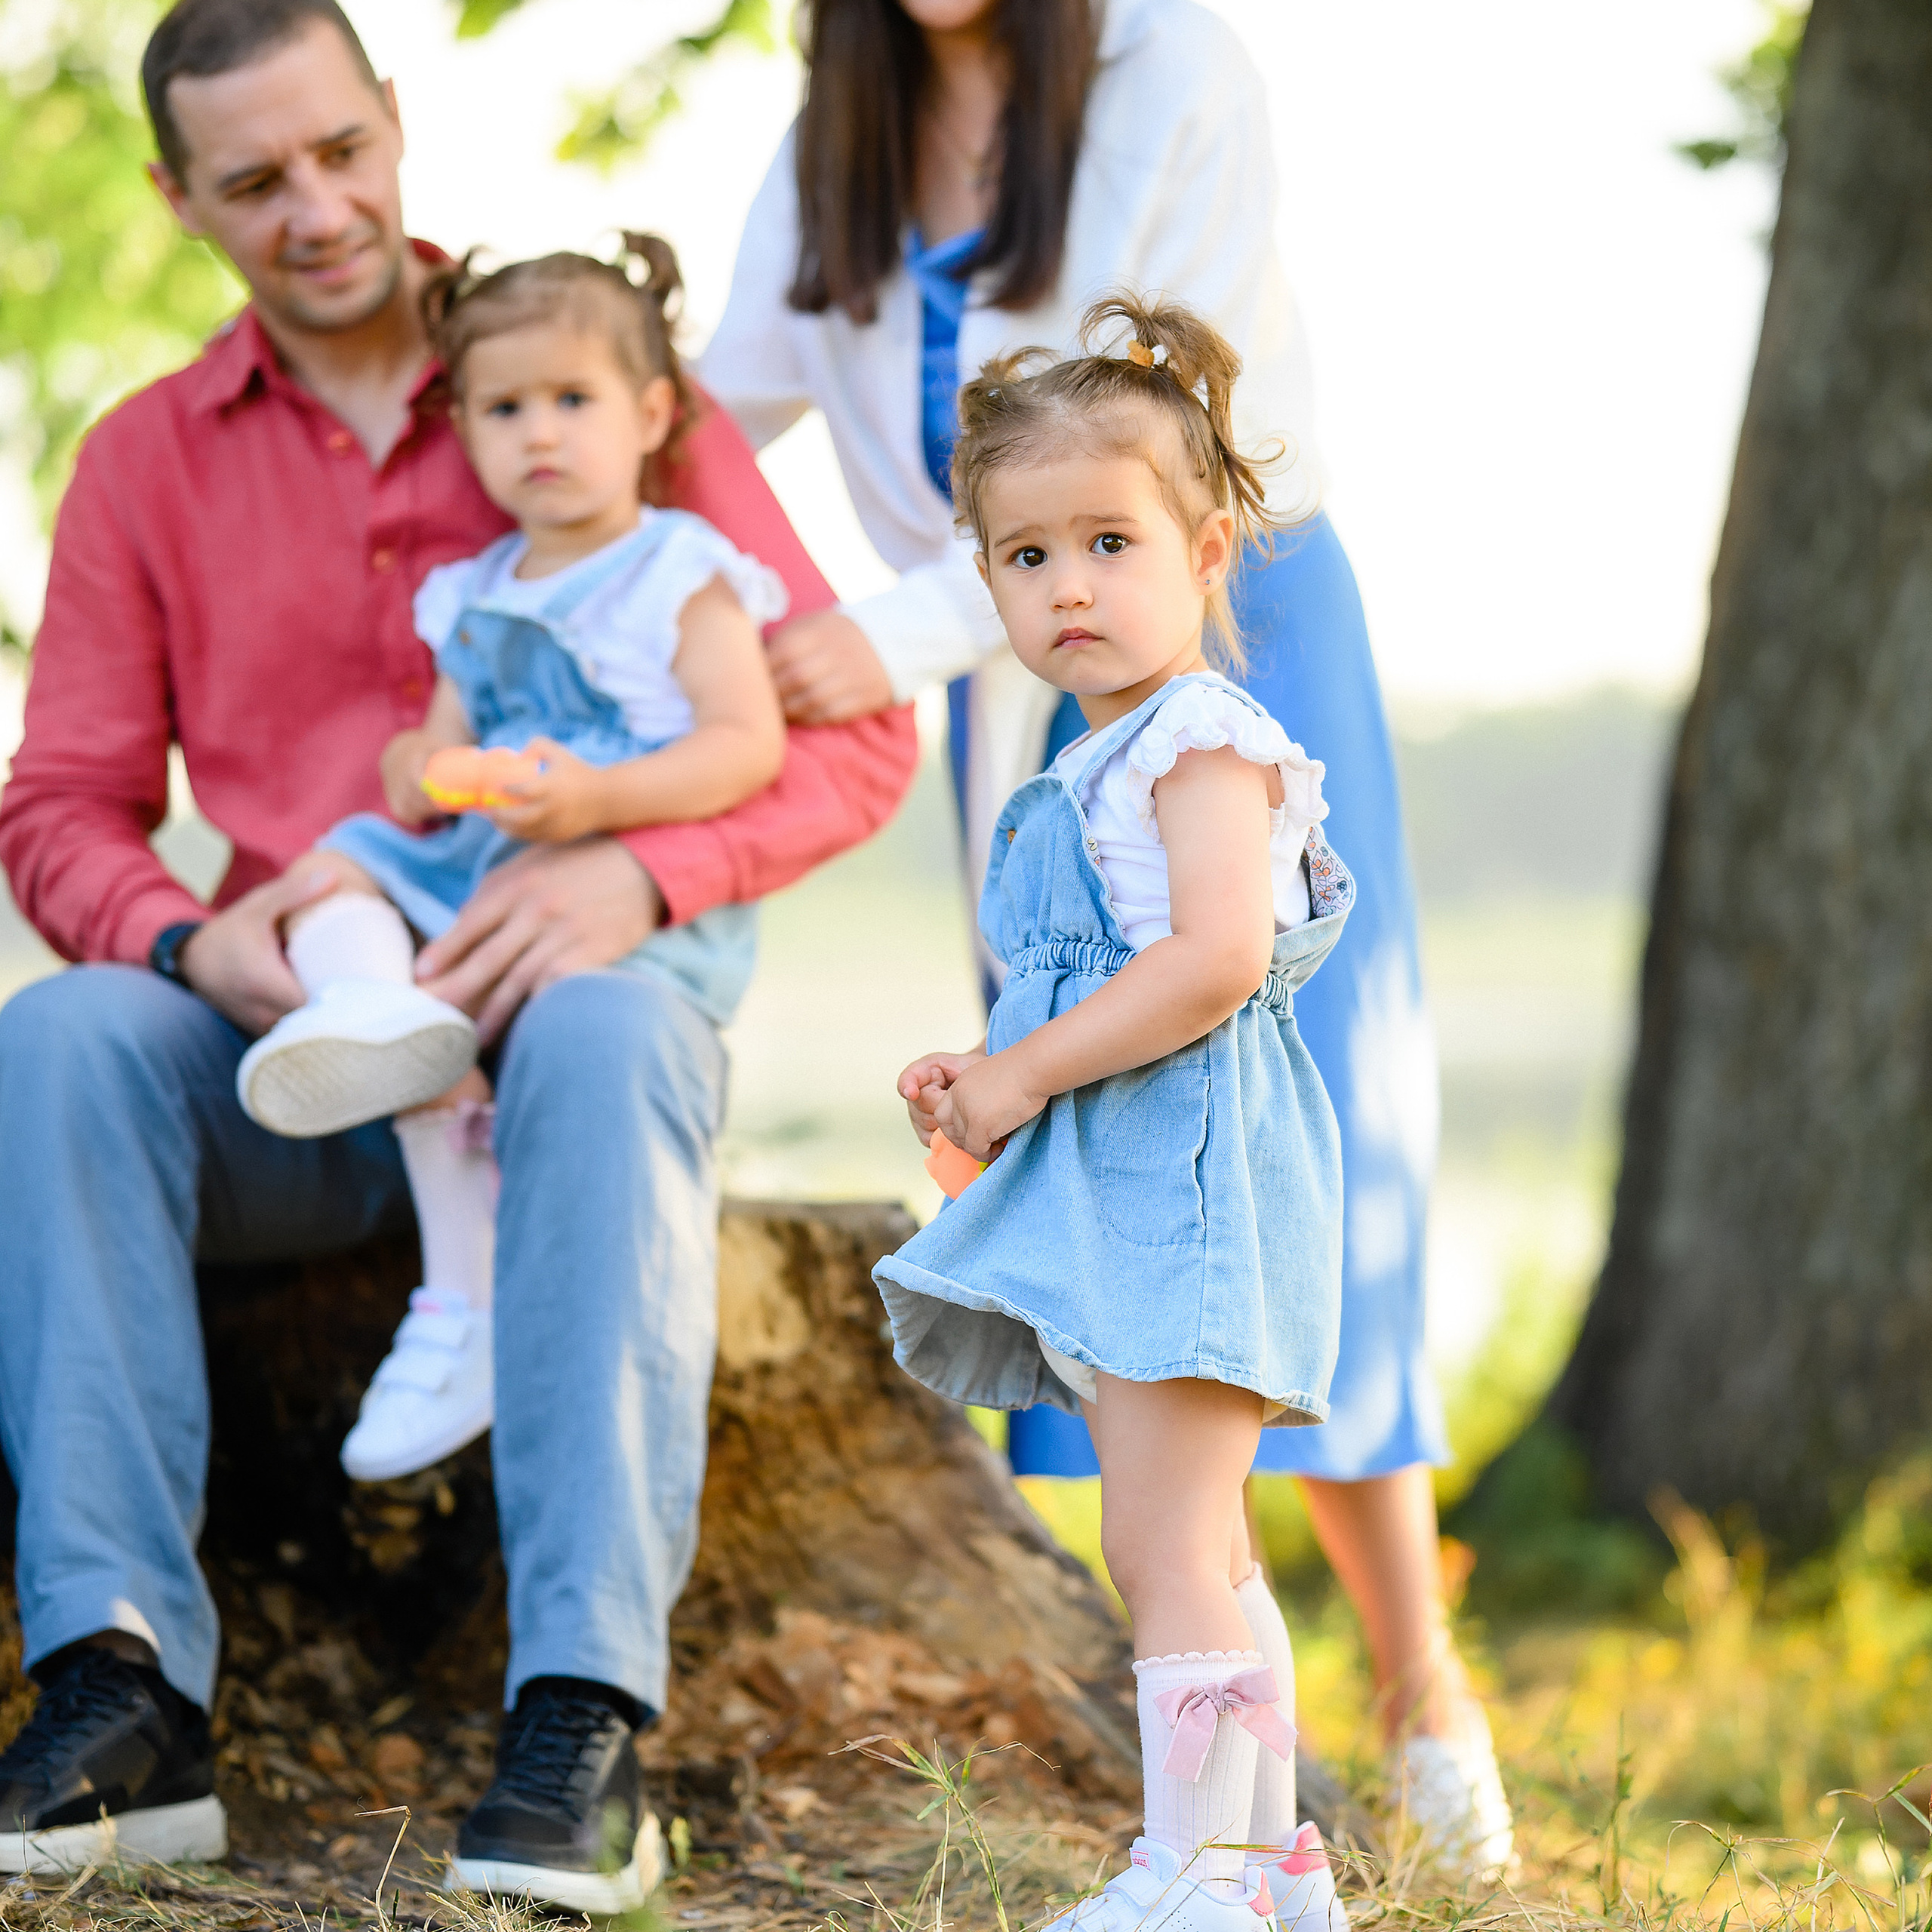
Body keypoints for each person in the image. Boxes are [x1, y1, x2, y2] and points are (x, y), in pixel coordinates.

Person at [0, 0, 913, 1910]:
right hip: (312, 1054)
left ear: (394, 120)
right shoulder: (145, 467)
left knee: (601, 1022)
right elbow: (59, 807)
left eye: (342, 150)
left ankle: (581, 1718)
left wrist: (646, 880)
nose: (317, 208)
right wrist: (192, 934)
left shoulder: (586, 365)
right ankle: (120, 1684)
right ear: (177, 200)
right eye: (254, 181)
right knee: (71, 1029)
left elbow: (847, 733)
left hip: (563, 1056)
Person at [698, 0, 1512, 1876]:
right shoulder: (836, 128)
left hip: (1217, 631)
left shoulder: (1174, 73)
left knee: (1290, 1173)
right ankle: (1247, 1849)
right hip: (1034, 687)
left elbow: (1135, 466)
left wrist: (916, 625)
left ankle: (1403, 1705)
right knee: (1159, 1443)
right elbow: (710, 416)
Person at [878, 294, 1352, 1932]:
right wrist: (987, 1063)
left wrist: (1024, 1073)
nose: (1066, 584)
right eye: (1023, 557)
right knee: (1200, 1548)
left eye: (1106, 540)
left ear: (1205, 549)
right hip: (1140, 1180)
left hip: (1194, 1187)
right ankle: (1274, 1864)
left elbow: (1216, 957)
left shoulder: (1201, 740)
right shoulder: (1097, 756)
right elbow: (1103, 971)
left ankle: (1198, 1869)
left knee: (1162, 1547)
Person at [235, 238, 791, 1485]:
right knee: (332, 872)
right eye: (504, 408)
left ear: (651, 415)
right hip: (493, 859)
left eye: (573, 400)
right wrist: (418, 774)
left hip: (623, 889)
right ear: (466, 426)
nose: (539, 433)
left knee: (511, 1017)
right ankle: (376, 1014)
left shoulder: (678, 571)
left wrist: (601, 794)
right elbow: (439, 750)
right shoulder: (475, 589)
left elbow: (746, 745)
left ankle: (459, 1288)